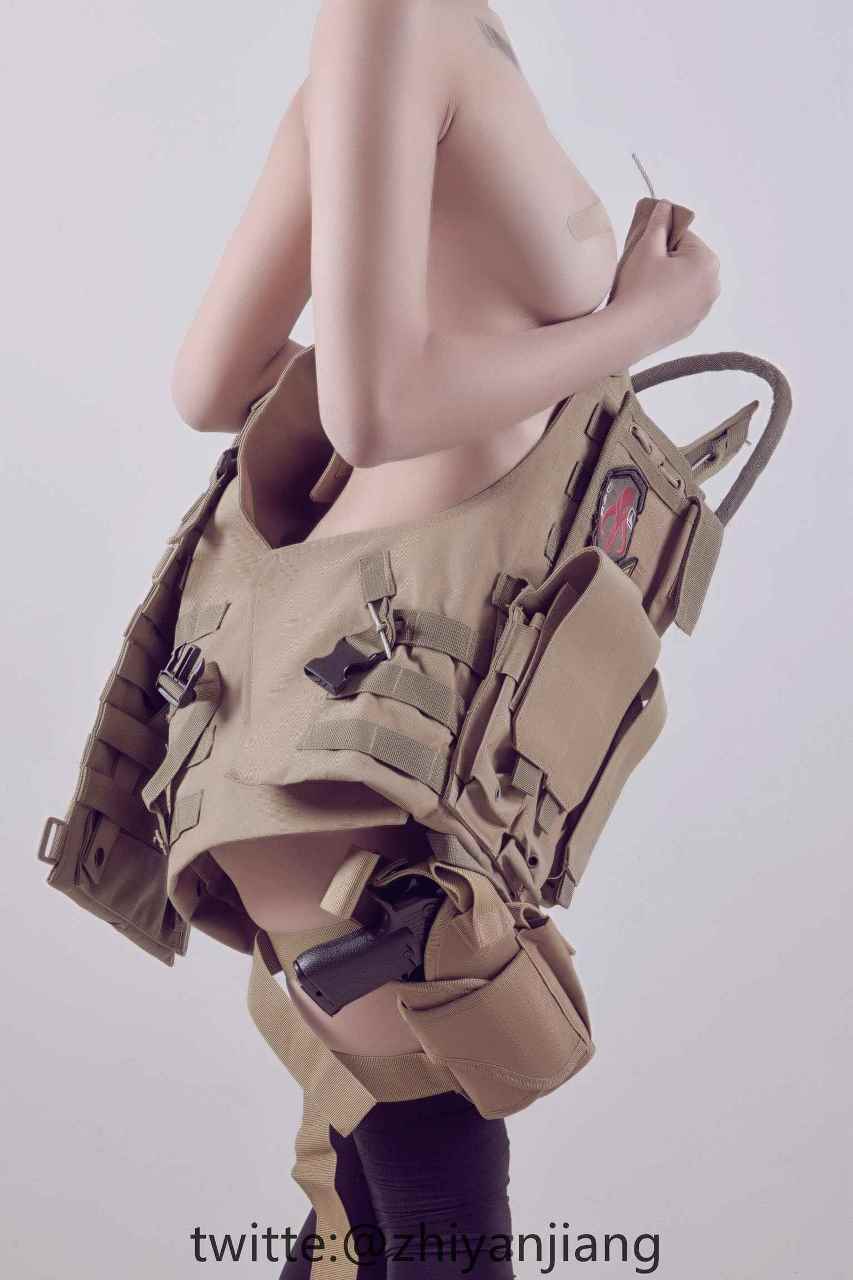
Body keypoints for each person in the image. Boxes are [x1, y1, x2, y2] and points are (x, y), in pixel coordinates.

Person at [168, 2, 721, 1273]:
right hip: (361, 777)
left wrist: (436, 335)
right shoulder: (392, 21)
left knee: (367, 1226)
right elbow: (373, 408)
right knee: (441, 1233)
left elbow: (213, 383)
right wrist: (650, 316)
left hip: (348, 744)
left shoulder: (399, 37)